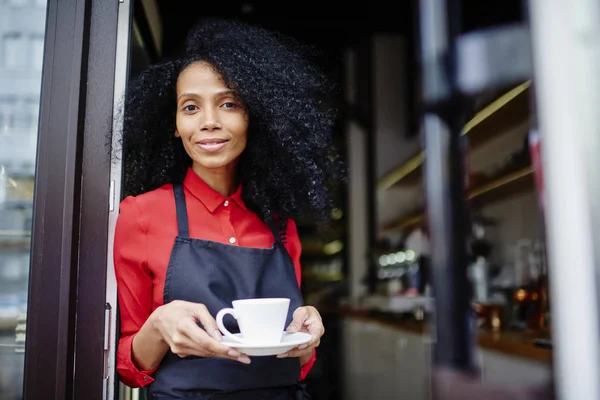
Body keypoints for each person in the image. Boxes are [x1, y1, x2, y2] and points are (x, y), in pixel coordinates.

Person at [113, 17, 345, 400]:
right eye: (190, 107)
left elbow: (298, 363)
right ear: (173, 123)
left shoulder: (279, 224)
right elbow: (129, 369)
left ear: (254, 115)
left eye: (228, 103)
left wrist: (308, 334)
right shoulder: (141, 215)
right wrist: (158, 325)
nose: (208, 122)